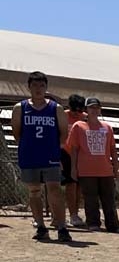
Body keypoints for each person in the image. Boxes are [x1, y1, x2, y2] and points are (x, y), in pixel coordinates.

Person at [11, 71, 71, 242]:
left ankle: (62, 227)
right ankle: (41, 226)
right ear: (29, 87)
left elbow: (63, 133)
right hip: (29, 155)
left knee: (54, 189)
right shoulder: (20, 108)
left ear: (46, 88)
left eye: (42, 85)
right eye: (35, 85)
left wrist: (55, 150)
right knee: (34, 191)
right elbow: (17, 133)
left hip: (50, 155)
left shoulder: (56, 108)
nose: (38, 89)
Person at [66, 98, 119, 233]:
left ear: (100, 109)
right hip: (86, 170)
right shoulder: (78, 126)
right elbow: (74, 149)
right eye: (91, 107)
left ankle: (113, 225)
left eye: (97, 107)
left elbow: (113, 149)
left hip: (105, 170)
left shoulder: (107, 127)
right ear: (86, 110)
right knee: (90, 199)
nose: (94, 110)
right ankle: (93, 223)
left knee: (109, 199)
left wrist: (116, 166)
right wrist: (73, 168)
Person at [62, 94, 87, 227]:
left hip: (81, 154)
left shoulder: (85, 118)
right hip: (65, 153)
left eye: (80, 110)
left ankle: (76, 213)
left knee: (79, 186)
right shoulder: (63, 116)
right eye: (74, 110)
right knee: (70, 184)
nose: (77, 113)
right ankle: (71, 214)